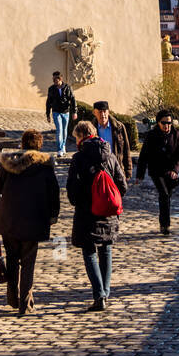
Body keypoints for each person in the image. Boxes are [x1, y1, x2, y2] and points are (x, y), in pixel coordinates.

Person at [0, 129, 60, 316]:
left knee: (12, 260)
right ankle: (25, 303)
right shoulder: (44, 167)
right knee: (28, 262)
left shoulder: (7, 164)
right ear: (39, 145)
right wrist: (52, 215)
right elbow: (54, 194)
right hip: (34, 221)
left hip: (9, 220)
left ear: (22, 144)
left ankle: (12, 297)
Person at [66, 121, 127, 312]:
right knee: (106, 250)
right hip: (108, 213)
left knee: (89, 252)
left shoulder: (79, 158)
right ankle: (105, 292)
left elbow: (72, 189)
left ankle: (99, 295)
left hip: (87, 213)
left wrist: (80, 201)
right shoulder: (110, 156)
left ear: (81, 137)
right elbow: (122, 185)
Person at [135, 109, 179, 235]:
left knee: (167, 196)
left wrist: (175, 170)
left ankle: (164, 221)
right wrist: (140, 175)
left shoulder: (176, 134)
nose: (167, 125)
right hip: (156, 171)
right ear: (158, 123)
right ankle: (165, 225)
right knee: (164, 194)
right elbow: (144, 155)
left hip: (170, 172)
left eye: (169, 123)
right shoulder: (152, 135)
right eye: (164, 123)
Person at [92, 101, 132, 180]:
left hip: (117, 169)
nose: (103, 115)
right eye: (100, 112)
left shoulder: (119, 127)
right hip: (99, 171)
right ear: (94, 113)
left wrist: (128, 170)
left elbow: (126, 149)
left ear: (108, 111)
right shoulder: (91, 129)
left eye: (104, 111)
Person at [45, 71, 77, 158]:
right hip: (56, 112)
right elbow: (48, 102)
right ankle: (59, 149)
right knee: (59, 130)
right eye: (53, 79)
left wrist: (74, 112)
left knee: (64, 130)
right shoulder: (51, 89)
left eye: (55, 79)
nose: (54, 81)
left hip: (66, 112)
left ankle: (63, 146)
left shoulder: (67, 88)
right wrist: (48, 114)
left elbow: (73, 100)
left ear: (60, 79)